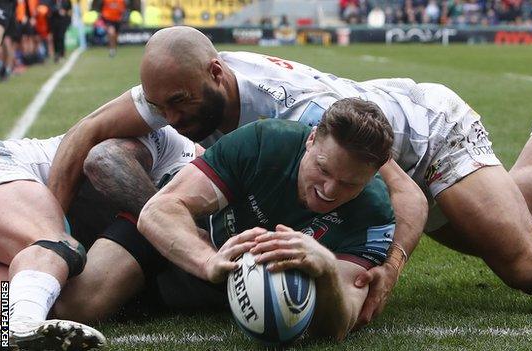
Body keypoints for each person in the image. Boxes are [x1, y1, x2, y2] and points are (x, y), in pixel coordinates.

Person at [48, 26, 532, 328]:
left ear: (217, 75)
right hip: (358, 162)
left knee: (529, 263)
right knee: (516, 208)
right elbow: (84, 135)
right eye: (159, 107)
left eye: (177, 105)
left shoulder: (300, 116)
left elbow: (403, 195)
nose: (168, 120)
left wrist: (388, 274)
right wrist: (52, 237)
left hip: (423, 137)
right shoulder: (179, 81)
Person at [136, 99, 397, 340]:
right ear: (312, 138)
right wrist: (207, 261)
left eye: (349, 184)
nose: (329, 190)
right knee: (97, 295)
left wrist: (327, 269)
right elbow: (157, 211)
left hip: (220, 292)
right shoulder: (265, 142)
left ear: (373, 174)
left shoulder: (373, 214)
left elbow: (339, 327)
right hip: (189, 242)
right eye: (323, 169)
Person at [0, 125, 196, 349]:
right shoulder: (173, 145)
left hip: (32, 257)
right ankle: (22, 323)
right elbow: (104, 158)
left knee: (17, 296)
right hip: (7, 169)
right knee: (56, 245)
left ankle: (14, 326)